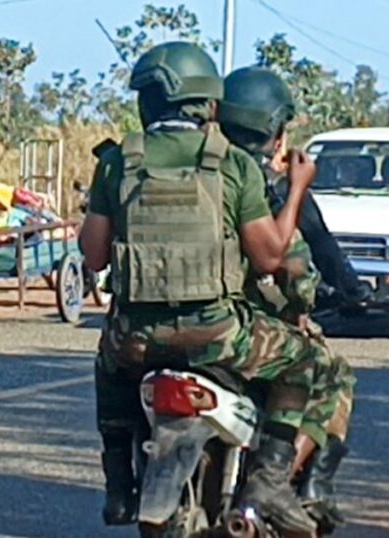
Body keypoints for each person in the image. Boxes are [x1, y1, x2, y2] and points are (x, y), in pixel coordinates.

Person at [80, 42, 325, 533]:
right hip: (217, 336)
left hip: (136, 338)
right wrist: (297, 187)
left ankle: (118, 484)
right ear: (209, 104)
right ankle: (271, 482)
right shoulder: (230, 163)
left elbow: (93, 256)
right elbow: (271, 256)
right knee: (307, 362)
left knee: (108, 365)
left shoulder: (117, 163)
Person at [220, 66, 354, 529]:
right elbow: (292, 268)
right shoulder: (266, 188)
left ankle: (121, 476)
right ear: (274, 132)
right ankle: (296, 483)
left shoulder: (187, 172)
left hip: (154, 332)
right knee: (330, 372)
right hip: (241, 331)